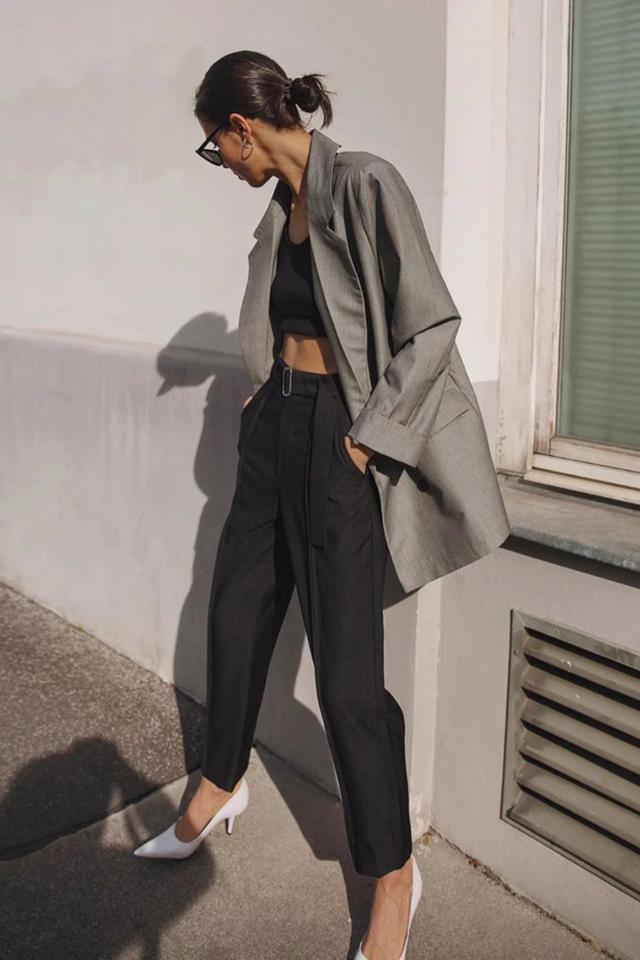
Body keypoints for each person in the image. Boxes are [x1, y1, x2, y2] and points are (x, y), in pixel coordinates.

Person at [134, 48, 510, 960]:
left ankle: (391, 873)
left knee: (346, 680)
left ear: (243, 128)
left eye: (214, 146)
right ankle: (221, 781)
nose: (219, 163)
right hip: (277, 428)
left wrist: (368, 436)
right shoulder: (280, 209)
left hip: (346, 436)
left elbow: (432, 324)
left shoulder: (365, 185)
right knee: (234, 617)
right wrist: (264, 402)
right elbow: (284, 321)